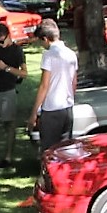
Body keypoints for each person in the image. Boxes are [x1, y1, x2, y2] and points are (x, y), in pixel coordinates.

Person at [30, 18, 78, 153]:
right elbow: (74, 82)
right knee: (65, 148)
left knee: (49, 150)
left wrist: (34, 112)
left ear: (45, 39)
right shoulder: (71, 53)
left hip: (52, 109)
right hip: (67, 107)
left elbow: (44, 85)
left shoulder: (49, 55)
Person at [0, 22, 26, 168]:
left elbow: (24, 73)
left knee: (9, 124)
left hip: (8, 90)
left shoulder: (17, 50)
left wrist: (6, 68)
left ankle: (8, 156)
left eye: (2, 41)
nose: (0, 44)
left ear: (8, 36)